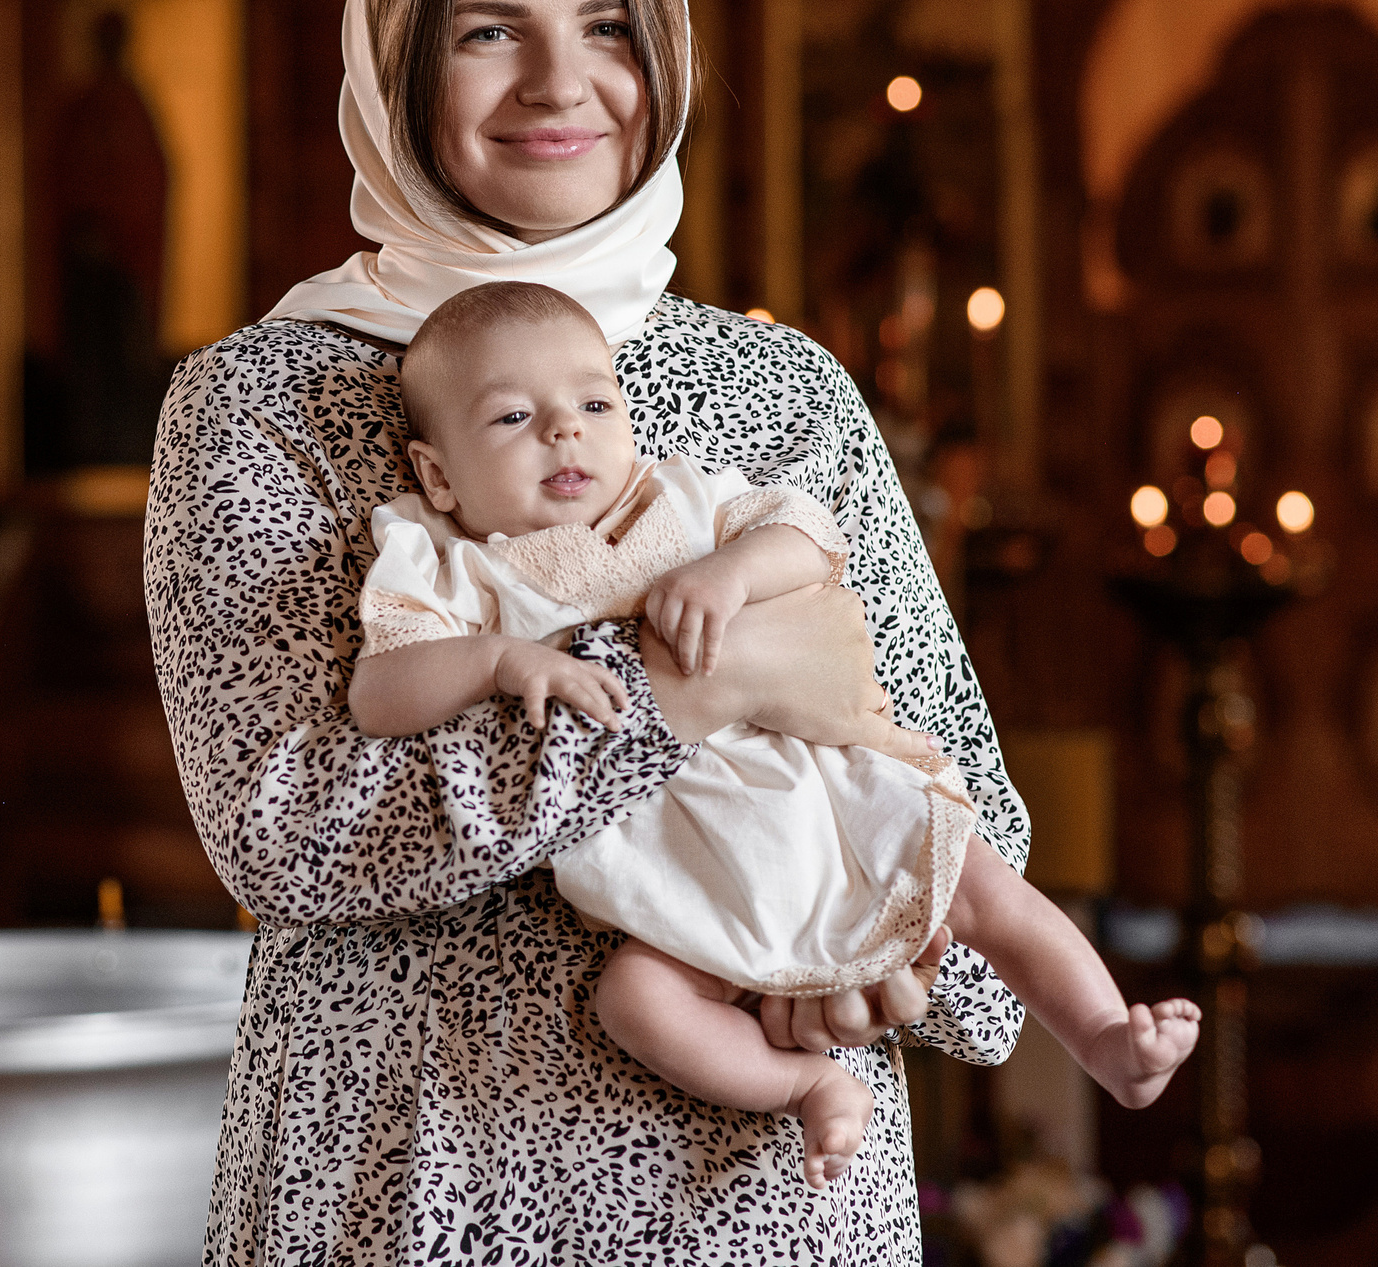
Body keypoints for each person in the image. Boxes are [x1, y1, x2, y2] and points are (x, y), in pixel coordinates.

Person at [145, 0, 1030, 1263]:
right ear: (394, 61)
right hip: (415, 1174)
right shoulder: (261, 398)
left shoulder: (778, 389)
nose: (562, 85)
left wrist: (892, 958)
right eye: (491, 31)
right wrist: (680, 694)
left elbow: (954, 802)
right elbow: (288, 824)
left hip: (759, 1201)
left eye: (610, 26)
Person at [350, 279, 1200, 1193]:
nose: (566, 430)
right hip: (672, 865)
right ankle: (805, 1083)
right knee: (635, 999)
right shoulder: (449, 562)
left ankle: (1109, 1039)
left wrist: (731, 570)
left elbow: (810, 534)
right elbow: (379, 691)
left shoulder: (679, 498)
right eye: (514, 416)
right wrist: (496, 663)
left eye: (595, 403)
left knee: (986, 885)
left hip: (823, 793)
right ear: (438, 475)